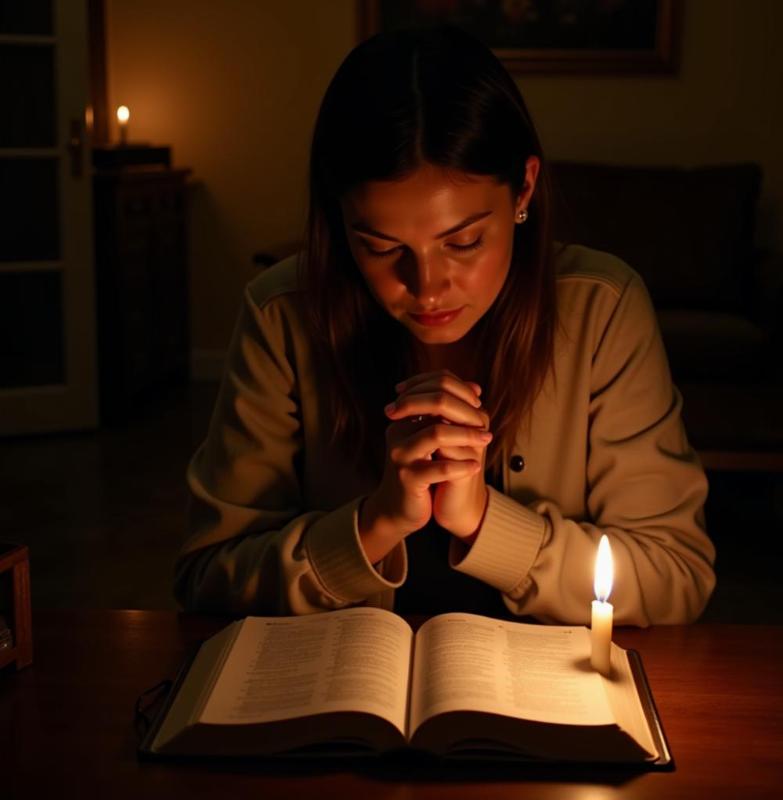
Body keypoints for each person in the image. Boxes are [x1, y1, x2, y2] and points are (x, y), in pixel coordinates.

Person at [175, 26, 715, 625]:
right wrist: (374, 523)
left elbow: (676, 575)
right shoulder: (283, 315)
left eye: (463, 241)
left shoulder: (602, 309)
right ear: (338, 218)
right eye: (380, 247)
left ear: (524, 188)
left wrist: (487, 522)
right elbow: (207, 578)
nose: (427, 287)